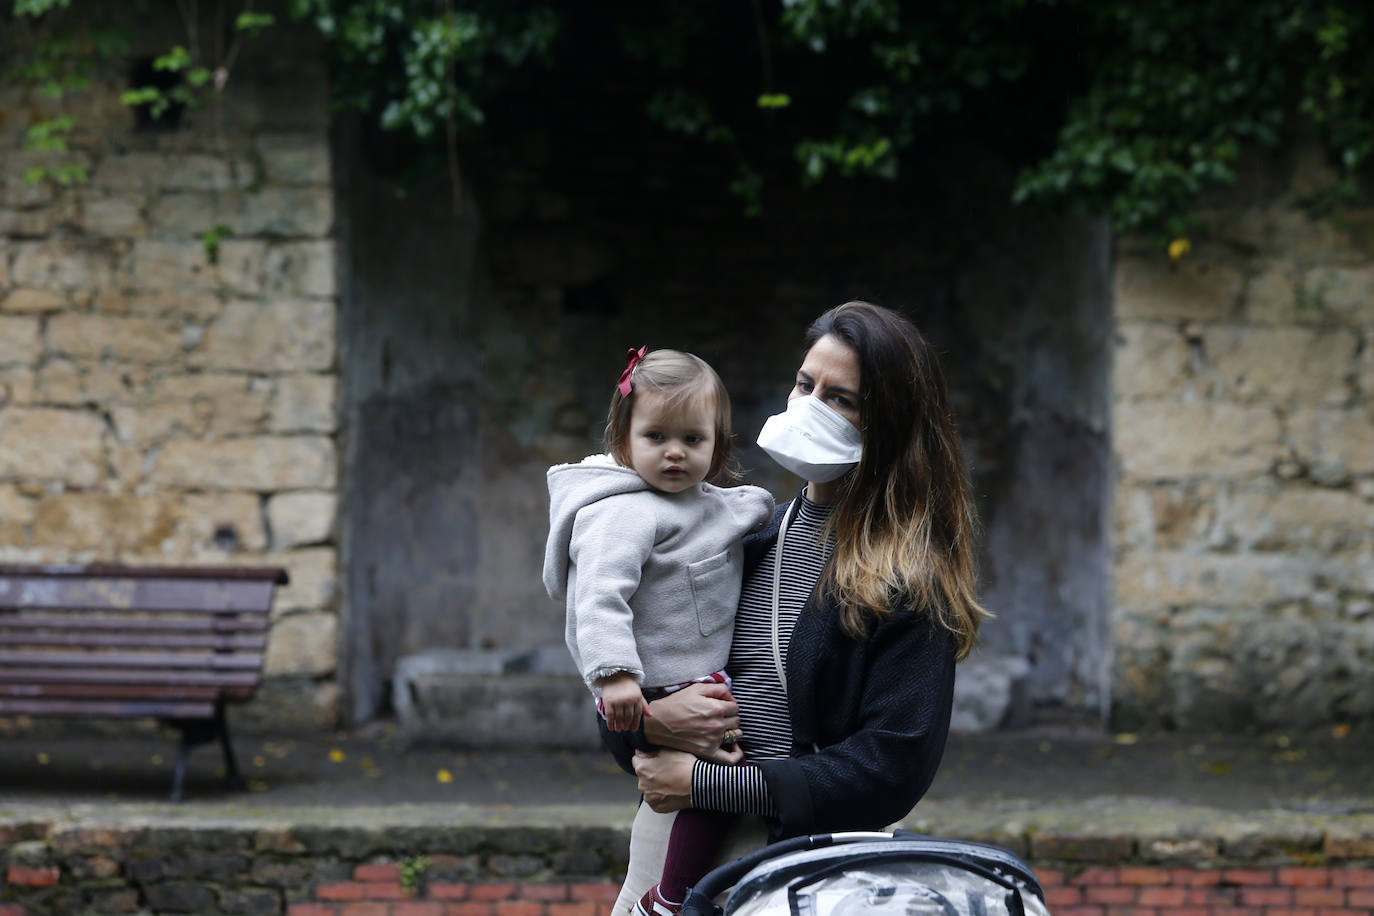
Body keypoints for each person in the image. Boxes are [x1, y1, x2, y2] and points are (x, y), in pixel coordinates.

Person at [608, 301, 990, 915]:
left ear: (889, 423)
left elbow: (891, 767)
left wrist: (707, 784)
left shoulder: (912, 580)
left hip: (810, 867)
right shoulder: (743, 536)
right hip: (671, 851)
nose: (810, 406)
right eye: (805, 385)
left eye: (841, 399)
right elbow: (633, 677)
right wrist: (648, 721)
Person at [542, 347, 774, 916]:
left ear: (718, 444)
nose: (675, 453)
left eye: (693, 440)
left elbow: (732, 514)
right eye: (656, 437)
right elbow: (599, 596)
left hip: (693, 681)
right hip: (645, 688)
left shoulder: (703, 505)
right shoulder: (621, 514)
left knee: (709, 788)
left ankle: (669, 891)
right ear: (625, 441)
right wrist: (615, 676)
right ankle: (670, 899)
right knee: (720, 782)